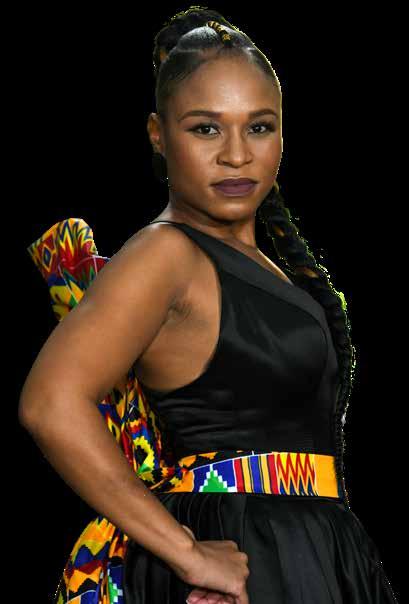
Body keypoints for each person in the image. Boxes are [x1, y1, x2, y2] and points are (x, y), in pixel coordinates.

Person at [19, 7, 398, 604]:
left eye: (259, 127)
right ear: (157, 134)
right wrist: (187, 552)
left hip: (310, 548)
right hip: (243, 554)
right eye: (205, 129)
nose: (236, 155)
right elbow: (51, 402)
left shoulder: (262, 263)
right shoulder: (166, 254)